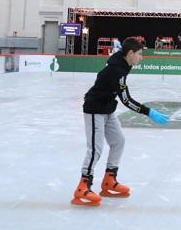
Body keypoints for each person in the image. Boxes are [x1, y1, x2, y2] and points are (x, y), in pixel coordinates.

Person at [71, 37, 170, 207]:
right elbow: (127, 100)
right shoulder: (116, 70)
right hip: (95, 110)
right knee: (96, 149)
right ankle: (83, 186)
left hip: (108, 109)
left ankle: (109, 180)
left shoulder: (124, 65)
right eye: (139, 54)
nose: (141, 57)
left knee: (118, 141)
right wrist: (149, 112)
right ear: (130, 53)